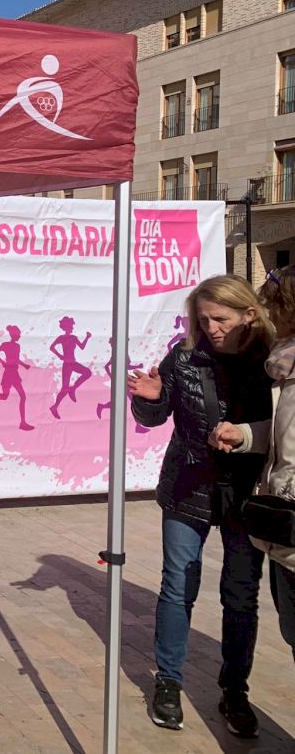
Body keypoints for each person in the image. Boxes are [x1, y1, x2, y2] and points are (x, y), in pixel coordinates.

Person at [128, 275, 273, 737]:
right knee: (177, 585)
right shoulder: (184, 357)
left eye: (220, 319)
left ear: (248, 314)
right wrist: (149, 401)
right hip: (187, 486)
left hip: (247, 494)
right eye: (203, 319)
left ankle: (235, 691)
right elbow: (157, 415)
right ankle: (168, 683)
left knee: (241, 594)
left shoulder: (272, 360)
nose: (211, 328)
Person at [214, 266, 295, 672]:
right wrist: (244, 435)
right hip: (284, 521)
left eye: (271, 307)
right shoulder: (284, 367)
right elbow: (284, 432)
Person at [0, 325, 34, 431]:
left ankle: (22, 422)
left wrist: (24, 365)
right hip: (9, 373)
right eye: (18, 334)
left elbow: (16, 359)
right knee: (10, 396)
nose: (19, 336)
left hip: (14, 373)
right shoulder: (6, 345)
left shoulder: (17, 346)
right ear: (14, 335)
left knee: (15, 396)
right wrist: (3, 362)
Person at [48, 315, 92, 419]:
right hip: (67, 365)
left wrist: (87, 338)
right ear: (67, 327)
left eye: (72, 326)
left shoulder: (73, 337)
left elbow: (82, 347)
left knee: (87, 372)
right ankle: (55, 407)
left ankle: (73, 389)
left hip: (73, 363)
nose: (72, 327)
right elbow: (51, 347)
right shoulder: (61, 338)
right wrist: (60, 356)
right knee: (64, 389)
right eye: (71, 326)